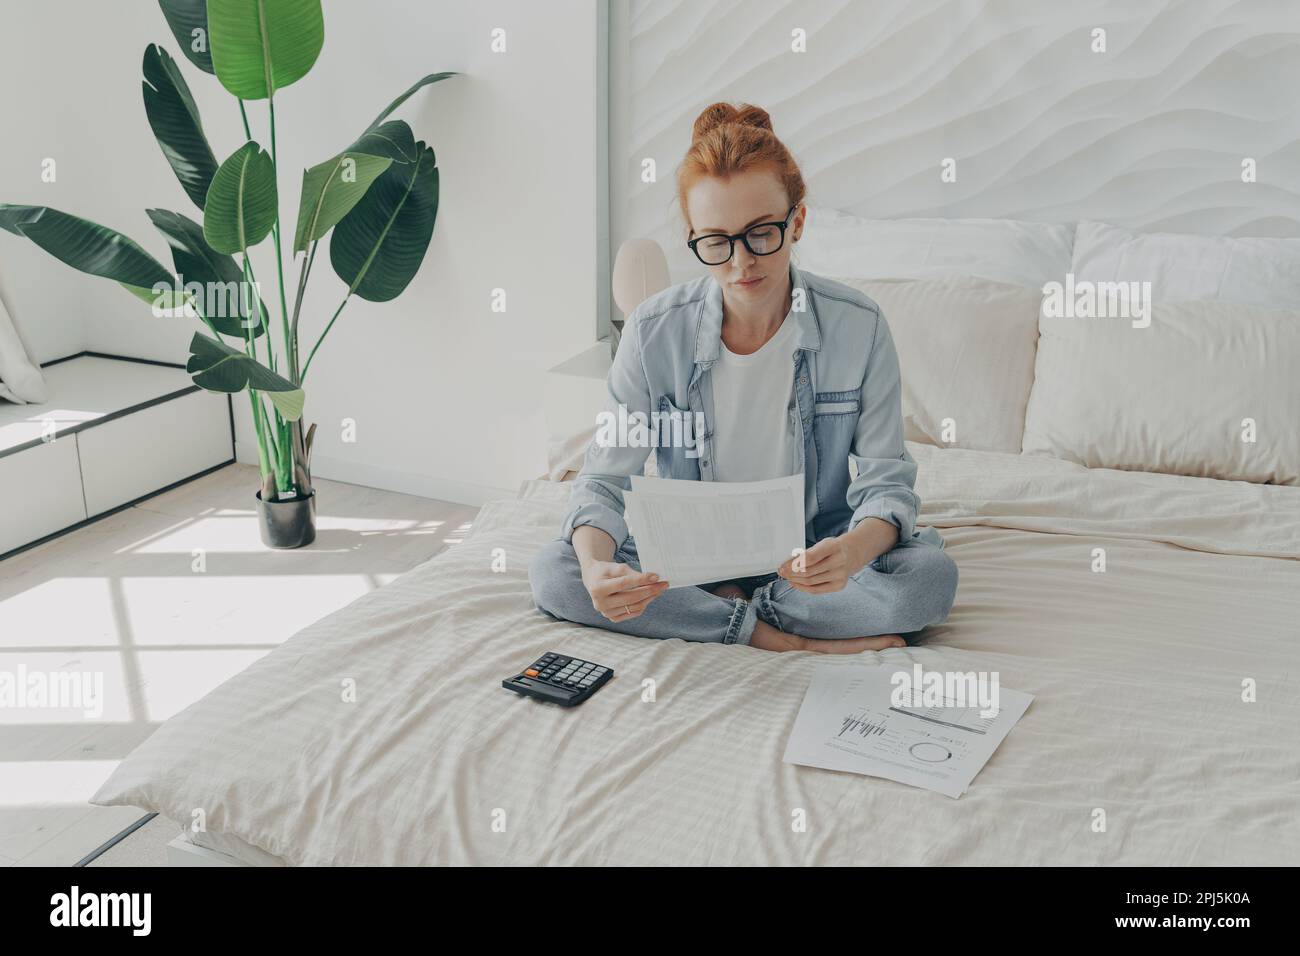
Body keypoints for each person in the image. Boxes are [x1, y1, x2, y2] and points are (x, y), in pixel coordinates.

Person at [529, 102, 957, 653]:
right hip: (685, 555)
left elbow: (886, 486)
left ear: (797, 221)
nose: (740, 263)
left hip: (810, 556)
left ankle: (728, 608)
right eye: (716, 241)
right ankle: (770, 635)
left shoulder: (860, 325)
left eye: (761, 234)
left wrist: (850, 553)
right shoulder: (651, 331)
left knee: (927, 581)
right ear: (692, 236)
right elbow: (605, 480)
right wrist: (595, 568)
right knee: (558, 571)